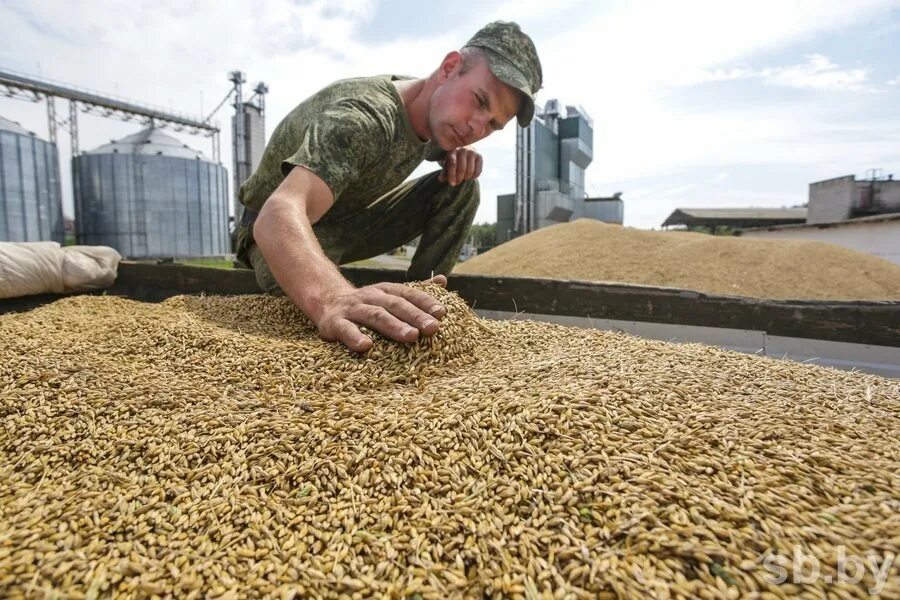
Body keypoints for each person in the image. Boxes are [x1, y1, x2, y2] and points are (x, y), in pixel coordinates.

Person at [235, 21, 542, 353]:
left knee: (462, 187)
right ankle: (378, 311)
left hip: (343, 223)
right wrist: (333, 297)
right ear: (449, 68)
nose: (476, 127)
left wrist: (454, 156)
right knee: (323, 319)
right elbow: (275, 214)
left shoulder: (435, 113)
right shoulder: (363, 119)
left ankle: (423, 301)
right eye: (480, 101)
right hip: (276, 241)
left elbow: (426, 143)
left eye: (493, 124)